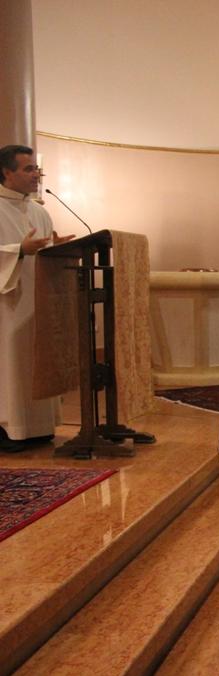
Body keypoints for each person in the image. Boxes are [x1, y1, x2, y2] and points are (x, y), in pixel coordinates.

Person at [0, 144, 74, 452]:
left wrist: (58, 249)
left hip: (36, 301)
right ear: (6, 172)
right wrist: (18, 250)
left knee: (36, 362)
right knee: (11, 364)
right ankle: (9, 429)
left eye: (37, 169)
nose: (36, 175)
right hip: (7, 305)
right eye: (28, 169)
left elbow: (43, 252)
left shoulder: (40, 211)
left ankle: (39, 427)